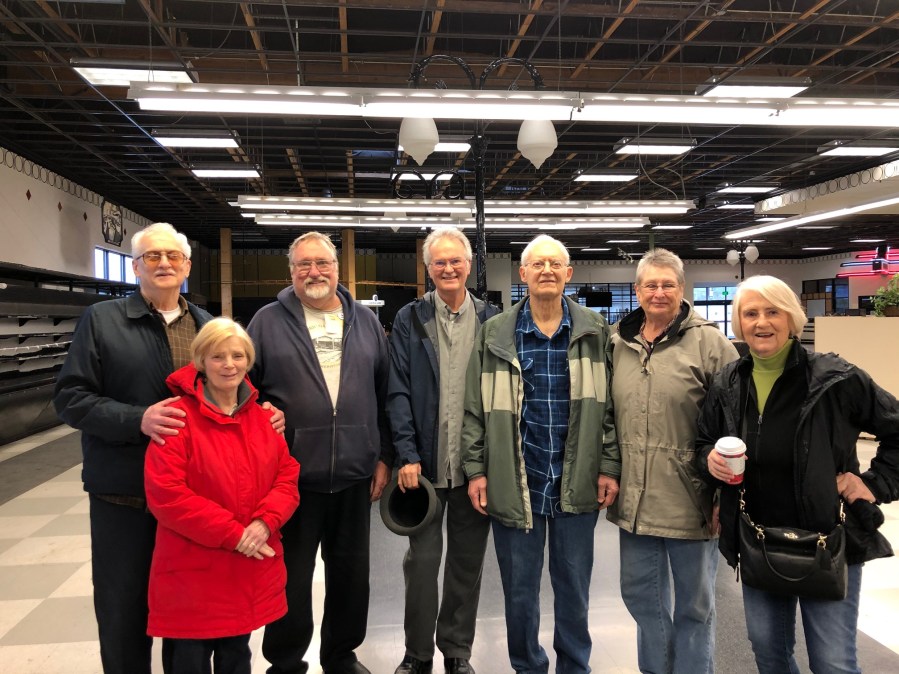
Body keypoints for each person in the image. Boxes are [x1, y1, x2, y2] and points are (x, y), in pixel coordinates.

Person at [696, 274, 899, 674]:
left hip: (828, 540)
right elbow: (704, 441)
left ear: (791, 317)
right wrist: (709, 461)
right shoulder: (728, 382)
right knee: (769, 655)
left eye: (772, 311)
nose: (761, 322)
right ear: (738, 323)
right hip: (758, 541)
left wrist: (873, 484)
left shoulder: (835, 379)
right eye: (750, 313)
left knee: (833, 662)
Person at [53, 222, 213, 674]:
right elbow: (70, 398)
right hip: (125, 494)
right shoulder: (102, 321)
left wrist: (263, 412)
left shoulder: (206, 327)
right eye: (152, 257)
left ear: (187, 265)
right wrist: (136, 419)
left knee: (188, 615)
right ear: (135, 266)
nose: (164, 264)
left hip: (191, 498)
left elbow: (227, 396)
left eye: (172, 256)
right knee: (125, 610)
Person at [461, 234, 621, 674]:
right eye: (538, 264)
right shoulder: (495, 333)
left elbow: (610, 410)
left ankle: (574, 666)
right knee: (519, 590)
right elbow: (474, 409)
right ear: (523, 274)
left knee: (573, 586)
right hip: (517, 482)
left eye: (556, 264)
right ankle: (528, 666)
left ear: (568, 274)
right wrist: (477, 470)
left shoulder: (593, 330)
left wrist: (608, 464)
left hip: (578, 479)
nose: (547, 270)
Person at [248, 231, 393, 674]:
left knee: (351, 575)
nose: (314, 272)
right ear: (290, 272)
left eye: (322, 264)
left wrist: (384, 454)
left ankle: (341, 655)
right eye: (303, 265)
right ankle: (286, 660)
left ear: (337, 269)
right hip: (291, 477)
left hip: (354, 471)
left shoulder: (365, 321)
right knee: (288, 576)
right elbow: (242, 389)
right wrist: (261, 411)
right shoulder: (266, 322)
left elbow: (385, 391)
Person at [607, 248, 738, 674]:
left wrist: (725, 495)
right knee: (643, 599)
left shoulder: (711, 344)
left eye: (668, 285)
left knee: (695, 607)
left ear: (681, 290)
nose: (659, 292)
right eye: (651, 285)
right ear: (637, 291)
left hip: (693, 500)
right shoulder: (617, 342)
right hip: (636, 501)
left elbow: (736, 422)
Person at [144, 318, 300, 674]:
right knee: (189, 659)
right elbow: (167, 495)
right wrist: (234, 534)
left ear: (248, 361)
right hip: (194, 570)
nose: (229, 365)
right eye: (217, 357)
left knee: (236, 656)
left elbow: (287, 475)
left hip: (243, 567)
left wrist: (264, 523)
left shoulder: (262, 418)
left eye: (237, 356)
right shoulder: (177, 418)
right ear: (200, 361)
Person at [387, 227, 499, 674]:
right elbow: (397, 392)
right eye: (439, 262)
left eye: (456, 261)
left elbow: (501, 398)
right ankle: (417, 654)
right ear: (428, 267)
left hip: (475, 471)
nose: (448, 268)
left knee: (466, 566)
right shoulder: (410, 319)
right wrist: (406, 454)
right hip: (425, 471)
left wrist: (489, 464)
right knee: (422, 563)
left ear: (468, 265)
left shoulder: (493, 320)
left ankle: (457, 652)